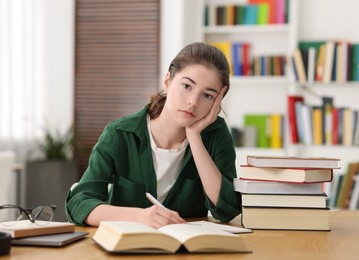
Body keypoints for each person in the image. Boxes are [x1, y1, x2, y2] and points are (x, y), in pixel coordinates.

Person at [66, 42, 241, 228]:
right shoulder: (119, 134)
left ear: (217, 102)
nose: (193, 102)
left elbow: (227, 209)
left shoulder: (216, 134)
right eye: (187, 86)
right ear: (167, 81)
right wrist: (139, 217)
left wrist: (195, 138)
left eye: (207, 95)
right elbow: (79, 204)